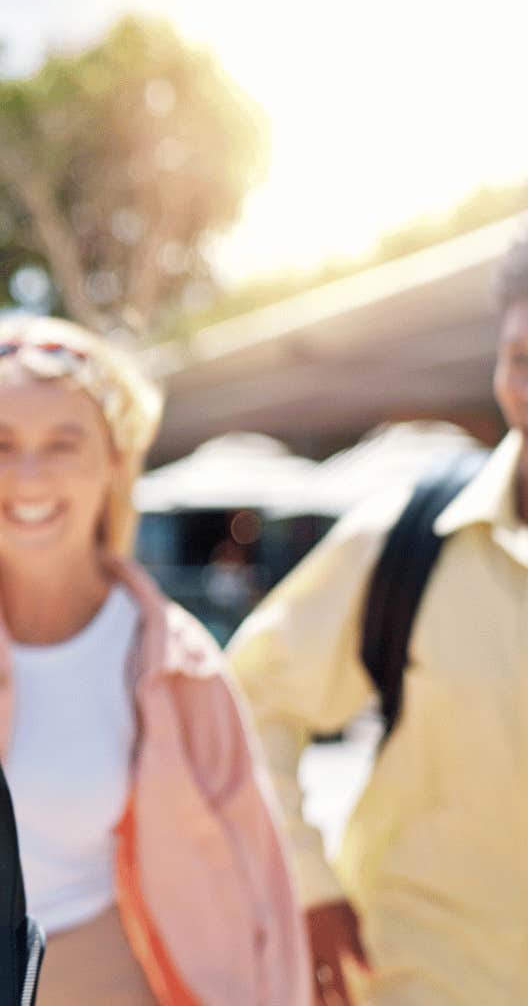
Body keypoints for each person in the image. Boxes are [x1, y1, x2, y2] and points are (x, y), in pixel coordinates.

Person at [0, 315, 308, 1006]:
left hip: (104, 978)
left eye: (63, 443)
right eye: (1, 444)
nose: (29, 475)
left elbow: (257, 879)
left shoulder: (176, 663)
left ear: (114, 461)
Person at [228, 236, 528, 1006]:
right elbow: (247, 699)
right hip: (415, 975)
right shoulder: (407, 536)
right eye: (523, 357)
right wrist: (307, 882)